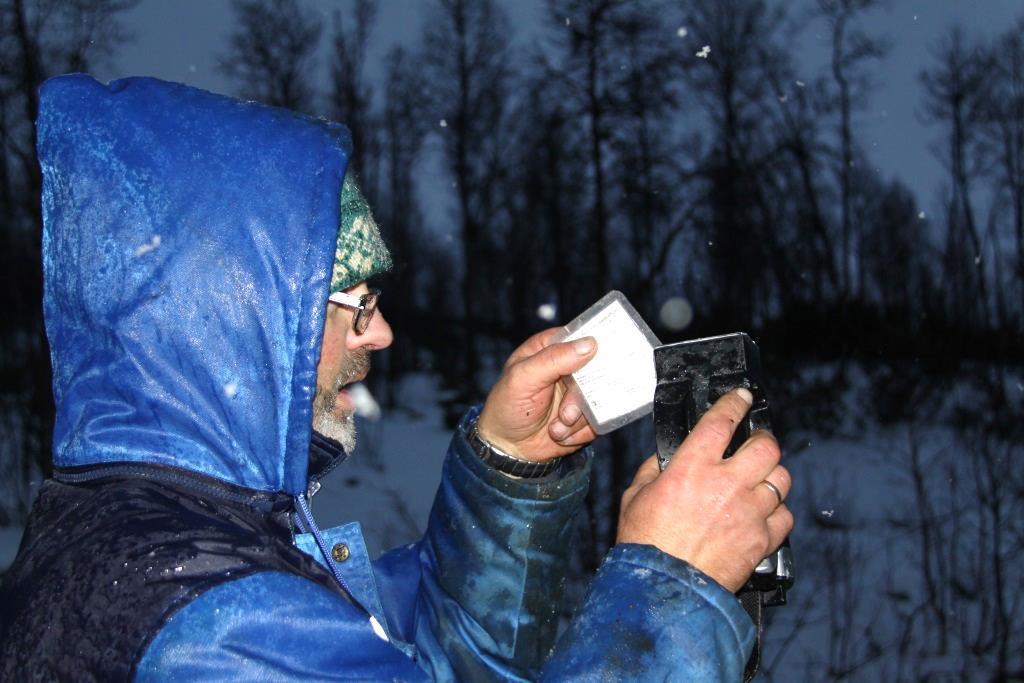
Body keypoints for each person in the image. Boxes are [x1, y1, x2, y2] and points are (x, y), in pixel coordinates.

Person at [0, 75, 793, 681]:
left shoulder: (170, 540)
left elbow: (433, 660)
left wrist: (509, 474)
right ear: (232, 311)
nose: (380, 330)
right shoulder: (220, 630)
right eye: (358, 298)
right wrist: (671, 587)